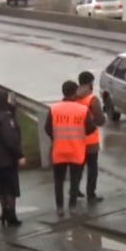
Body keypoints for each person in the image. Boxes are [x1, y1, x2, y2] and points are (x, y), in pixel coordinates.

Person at [44, 80, 94, 218]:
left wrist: (56, 138)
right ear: (75, 92)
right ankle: (72, 206)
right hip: (76, 149)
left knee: (58, 180)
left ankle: (59, 208)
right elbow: (91, 128)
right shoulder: (82, 110)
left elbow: (47, 128)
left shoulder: (54, 109)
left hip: (59, 149)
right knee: (74, 179)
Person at [0, 90, 26, 227]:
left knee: (1, 188)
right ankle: (11, 215)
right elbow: (10, 139)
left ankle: (4, 212)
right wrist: (19, 155)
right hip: (7, 159)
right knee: (10, 188)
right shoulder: (6, 118)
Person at [74, 71, 107, 204]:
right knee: (92, 169)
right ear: (90, 83)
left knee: (78, 167)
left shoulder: (73, 97)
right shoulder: (92, 100)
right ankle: (91, 194)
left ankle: (74, 190)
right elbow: (100, 120)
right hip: (91, 141)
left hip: (76, 139)